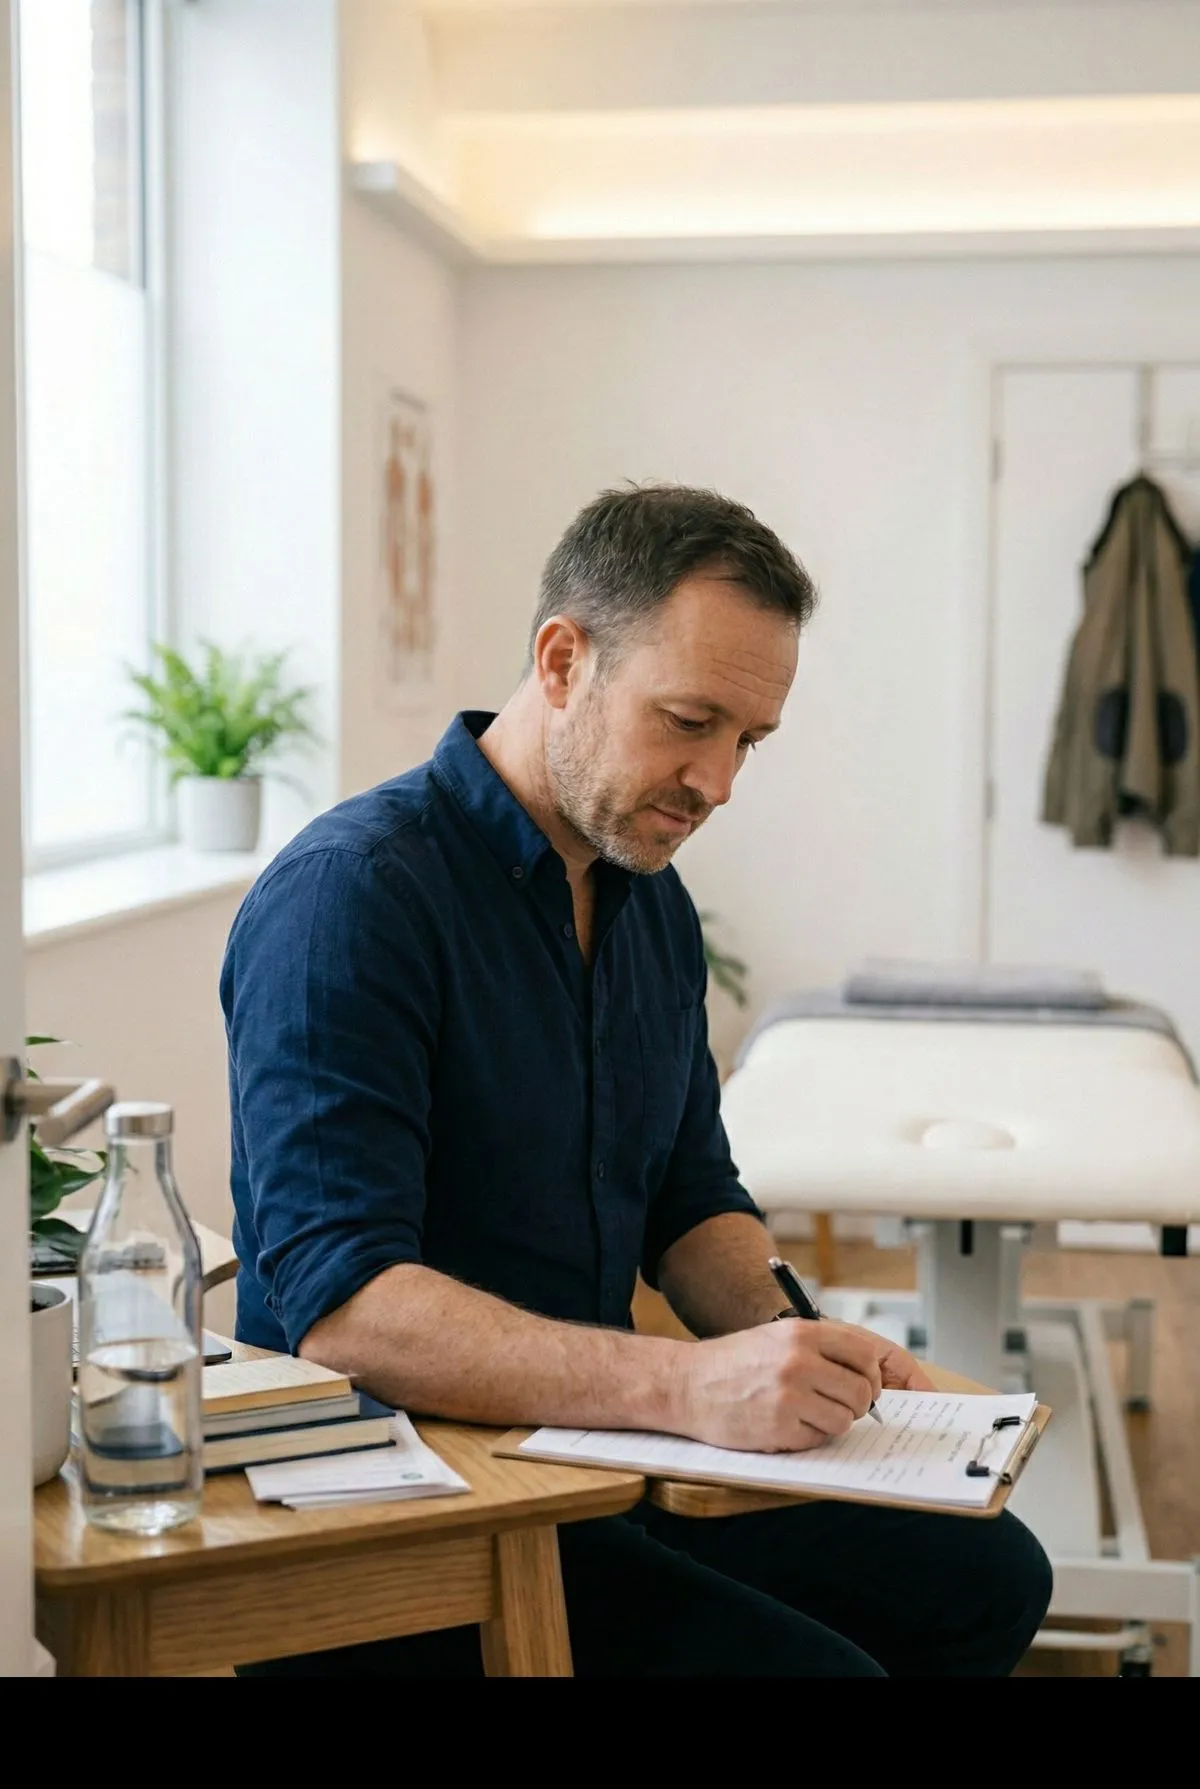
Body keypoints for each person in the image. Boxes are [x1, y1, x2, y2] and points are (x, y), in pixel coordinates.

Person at [222, 484, 1052, 1676]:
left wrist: (798, 1344)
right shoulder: (352, 897)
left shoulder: (649, 904)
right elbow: (345, 1310)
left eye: (747, 741)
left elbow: (690, 1196)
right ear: (563, 661)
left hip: (584, 1458)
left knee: (985, 1576)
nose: (718, 782)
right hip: (390, 1509)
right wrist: (689, 1384)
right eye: (690, 721)